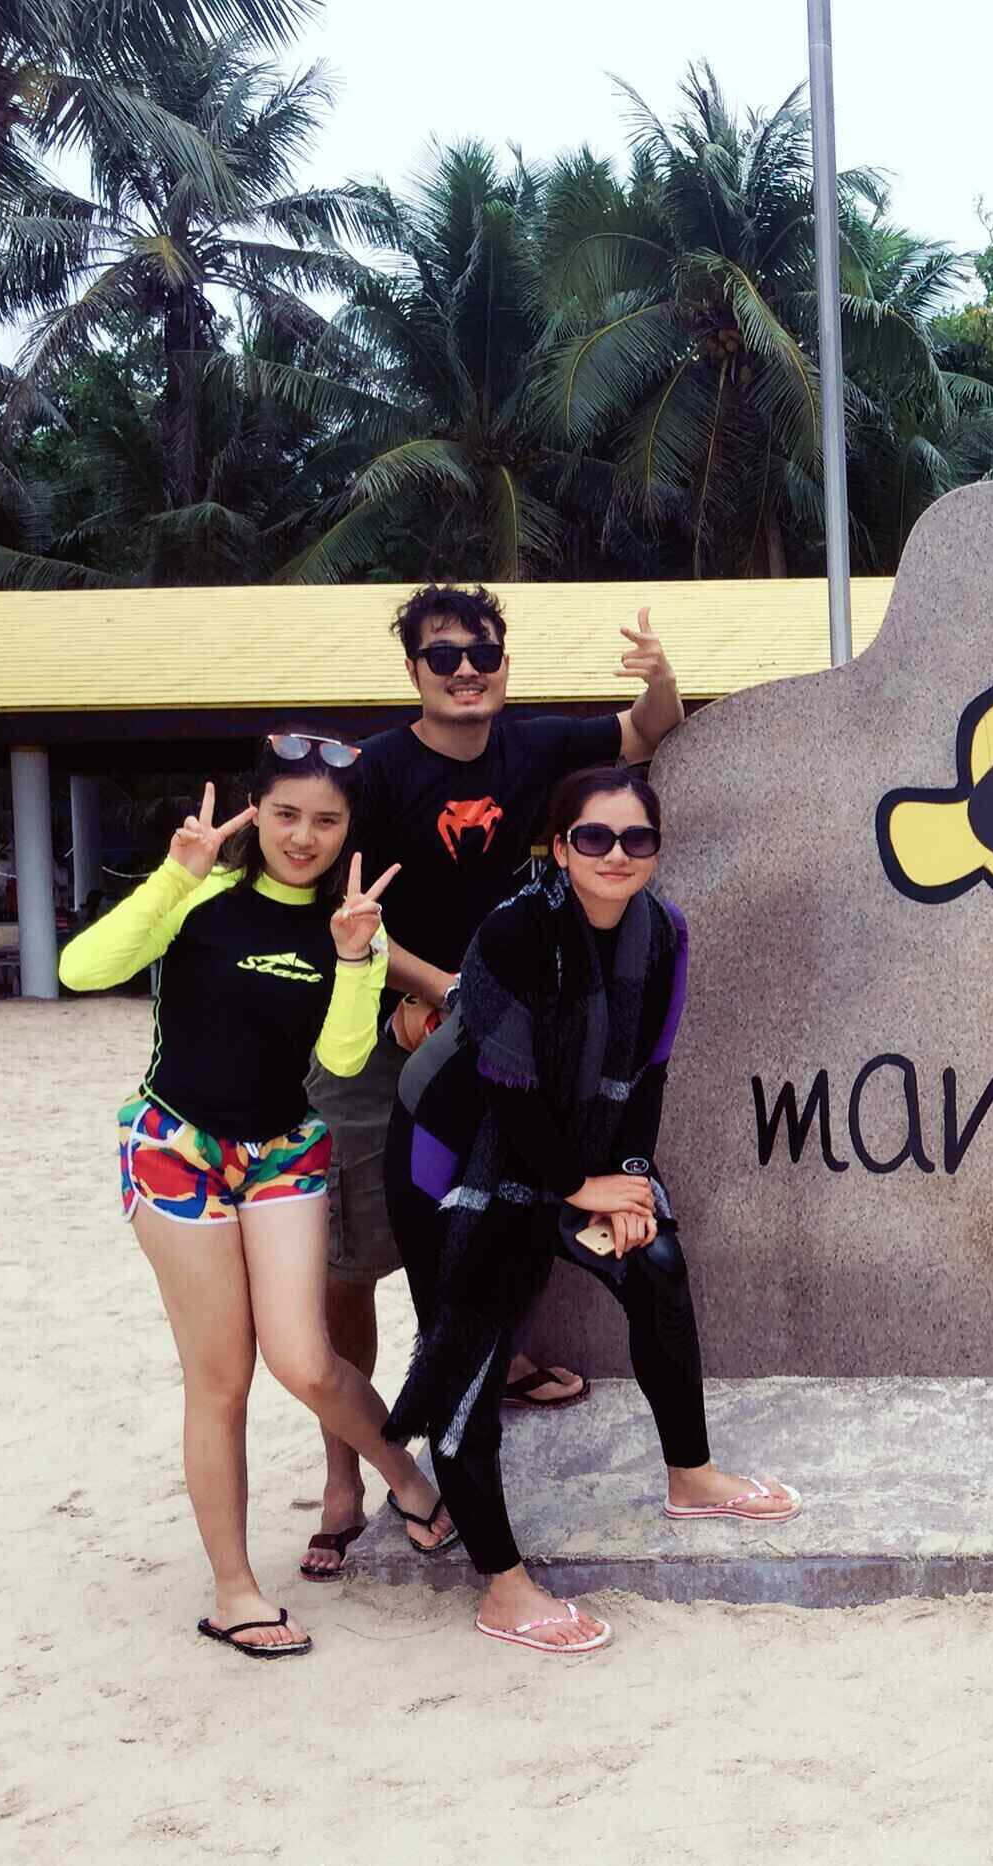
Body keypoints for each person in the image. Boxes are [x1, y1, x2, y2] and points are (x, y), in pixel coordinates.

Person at [306, 583, 686, 1580]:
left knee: (504, 1194)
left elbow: (650, 730)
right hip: (394, 1027)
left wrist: (660, 677)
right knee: (356, 1260)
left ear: (504, 666)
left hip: (500, 1026)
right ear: (414, 672)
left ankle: (496, 1360)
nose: (465, 671)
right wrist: (436, 989)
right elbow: (346, 905)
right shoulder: (377, 774)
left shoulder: (538, 747)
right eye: (444, 657)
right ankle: (347, 1472)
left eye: (482, 654)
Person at [383, 767, 800, 1655]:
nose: (617, 855)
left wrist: (632, 1179)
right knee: (468, 1351)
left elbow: (649, 1071)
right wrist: (581, 1187)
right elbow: (505, 1088)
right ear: (559, 847)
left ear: (657, 849)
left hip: (577, 1147)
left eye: (637, 838)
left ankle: (692, 1477)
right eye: (594, 838)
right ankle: (503, 1587)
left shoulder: (664, 933)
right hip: (455, 1152)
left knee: (656, 1266)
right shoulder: (515, 933)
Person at [58, 736, 459, 1660]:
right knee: (221, 1378)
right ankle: (234, 1591)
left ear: (350, 828)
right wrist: (174, 875)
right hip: (176, 1148)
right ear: (256, 811)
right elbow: (82, 970)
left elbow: (344, 1060)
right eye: (286, 814)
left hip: (283, 1149)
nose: (303, 836)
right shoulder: (199, 894)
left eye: (326, 820)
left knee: (306, 1360)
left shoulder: (355, 927)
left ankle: (404, 1475)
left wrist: (354, 959)